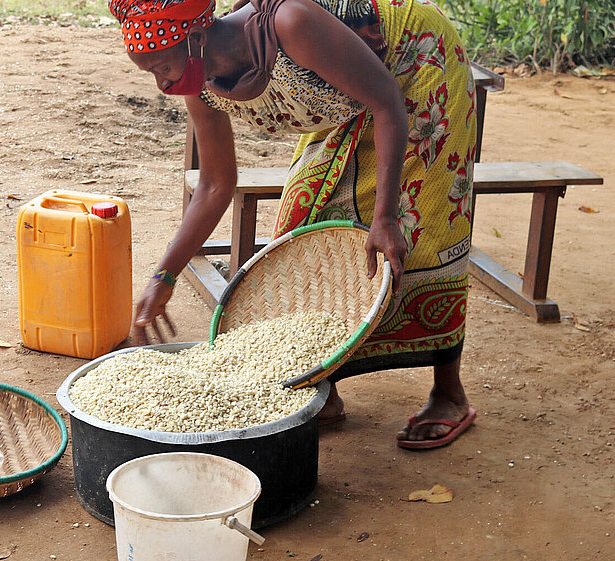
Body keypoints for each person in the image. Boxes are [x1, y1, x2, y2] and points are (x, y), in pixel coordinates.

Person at [109, 0, 478, 449]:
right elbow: (215, 184)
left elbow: (385, 102)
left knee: (422, 226)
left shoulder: (290, 24)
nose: (162, 82)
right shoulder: (196, 80)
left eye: (163, 67)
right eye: (149, 72)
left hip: (414, 62)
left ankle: (449, 393)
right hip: (341, 90)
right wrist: (162, 276)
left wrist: (385, 217)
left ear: (198, 38)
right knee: (302, 221)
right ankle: (324, 388)